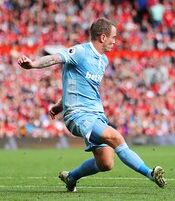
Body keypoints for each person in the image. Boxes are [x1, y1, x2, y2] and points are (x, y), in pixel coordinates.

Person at [18, 17, 166, 192]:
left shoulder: (103, 61)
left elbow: (82, 87)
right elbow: (55, 58)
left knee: (105, 163)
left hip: (96, 114)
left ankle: (71, 177)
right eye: (113, 37)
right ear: (103, 37)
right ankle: (150, 173)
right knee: (117, 137)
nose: (115, 41)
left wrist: (59, 105)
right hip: (78, 114)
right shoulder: (80, 52)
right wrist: (33, 64)